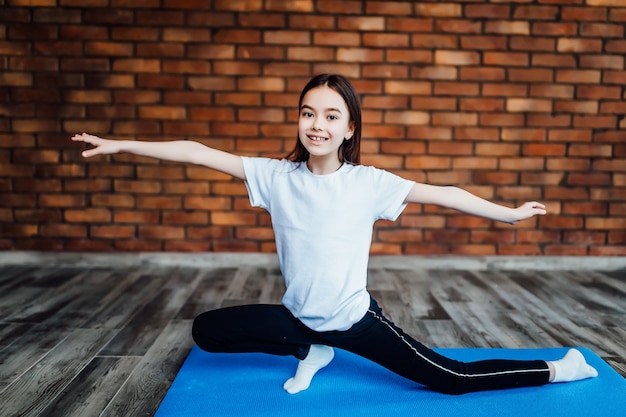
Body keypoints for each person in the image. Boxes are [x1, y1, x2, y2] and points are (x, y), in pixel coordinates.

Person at [71, 73, 597, 395]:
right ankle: (309, 351)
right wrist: (120, 145)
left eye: (330, 115)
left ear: (349, 129)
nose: (315, 124)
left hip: (353, 321)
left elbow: (447, 192)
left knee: (451, 379)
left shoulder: (368, 184)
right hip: (300, 318)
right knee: (207, 331)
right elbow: (196, 150)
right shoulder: (276, 177)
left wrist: (508, 215)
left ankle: (557, 369)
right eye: (307, 112)